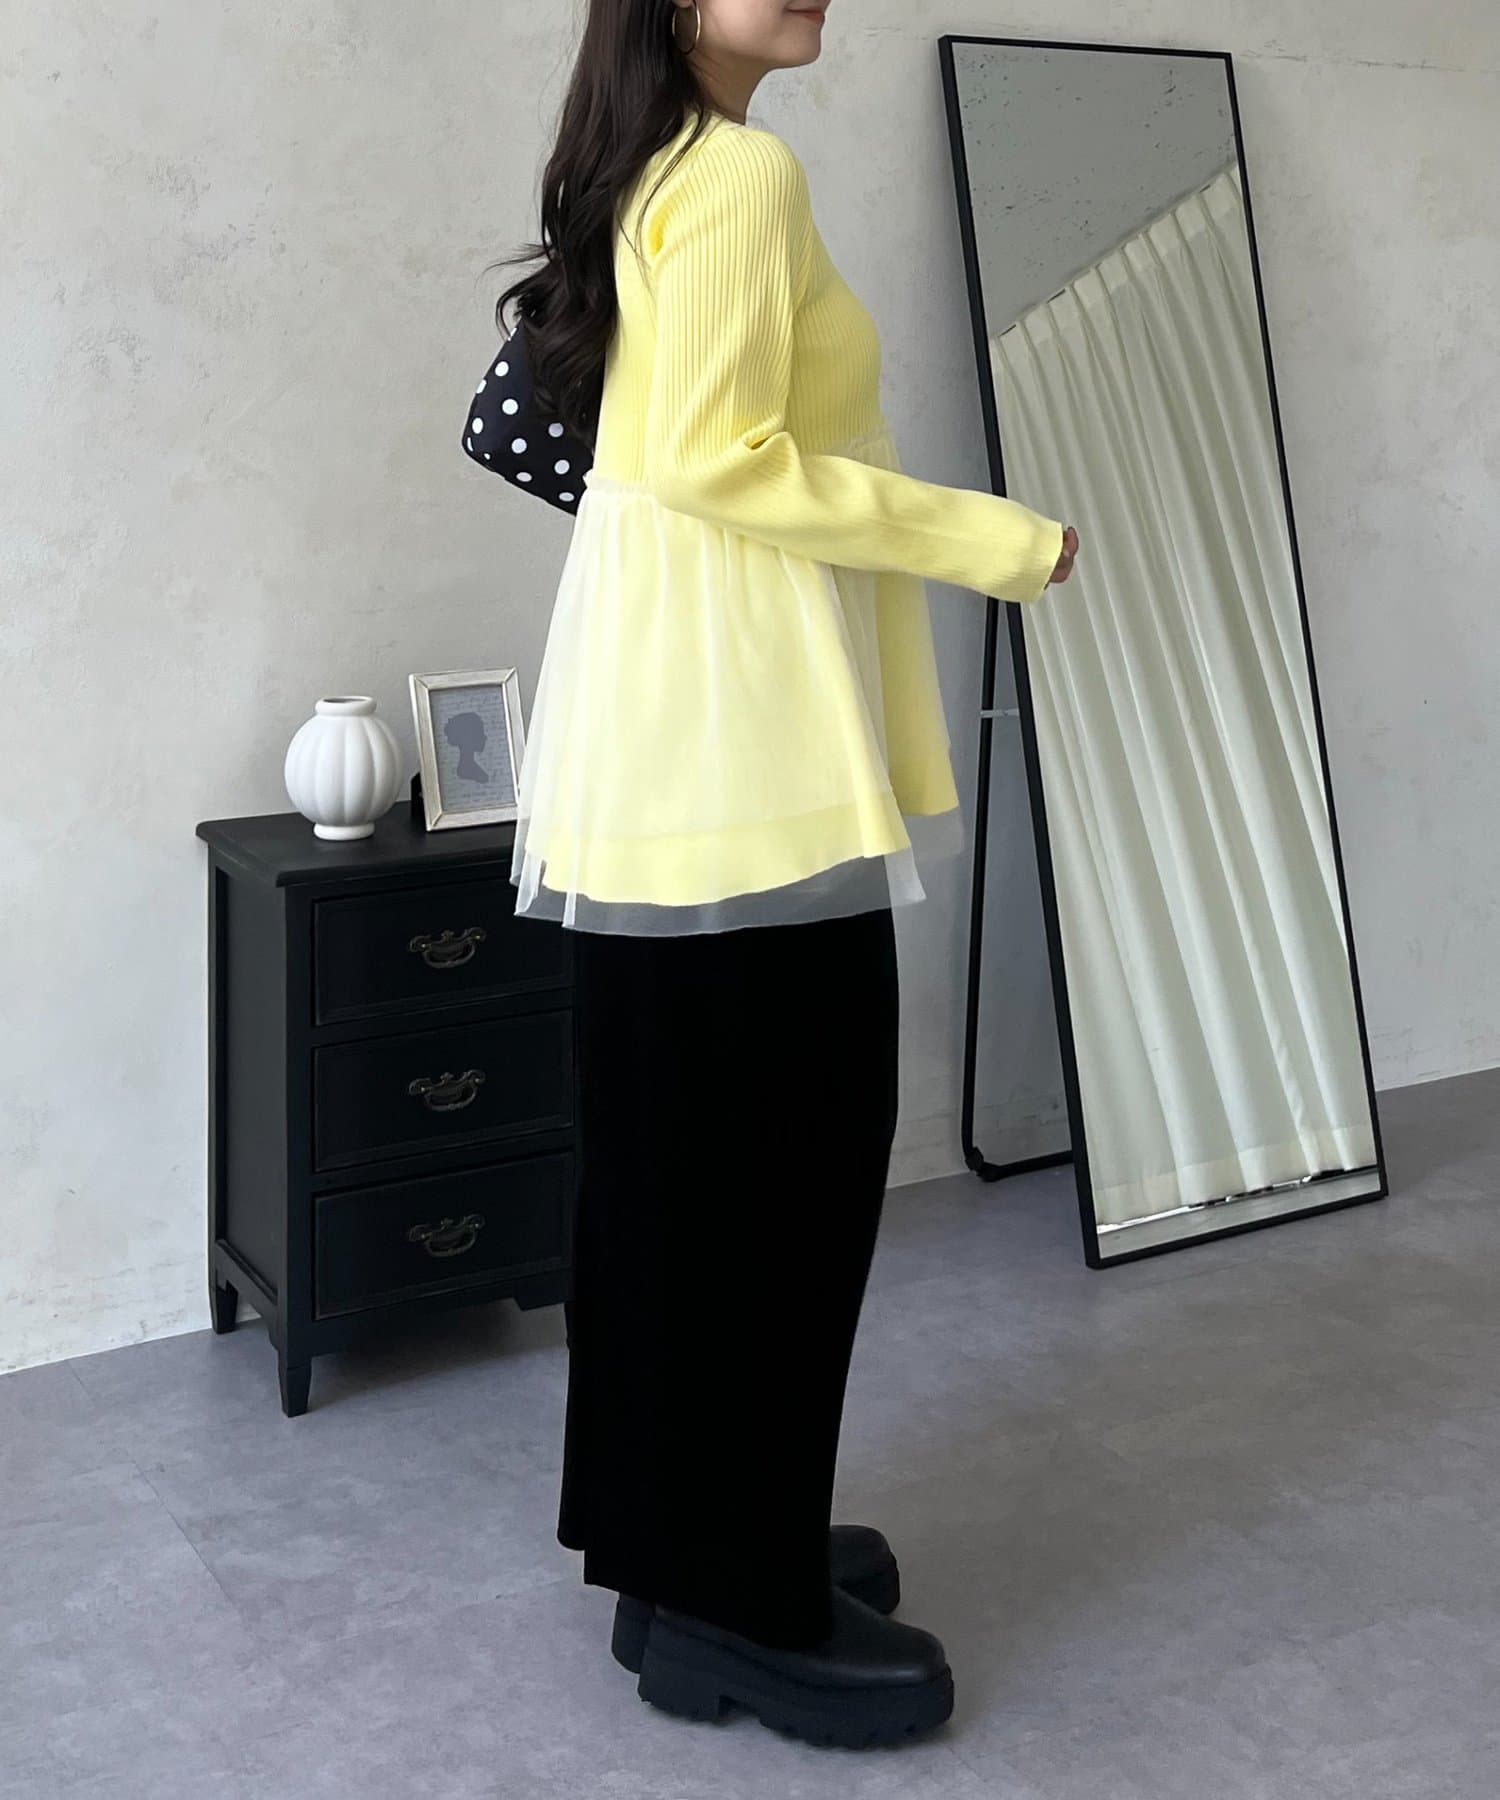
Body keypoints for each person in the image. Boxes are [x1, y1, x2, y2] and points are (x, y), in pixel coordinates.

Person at [484, 0, 1078, 1750]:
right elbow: (716, 461)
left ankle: (680, 1560)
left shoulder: (650, 163)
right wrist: (995, 538)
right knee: (781, 1180)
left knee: (675, 1177)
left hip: (659, 752)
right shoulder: (737, 175)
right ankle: (733, 1604)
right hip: (743, 756)